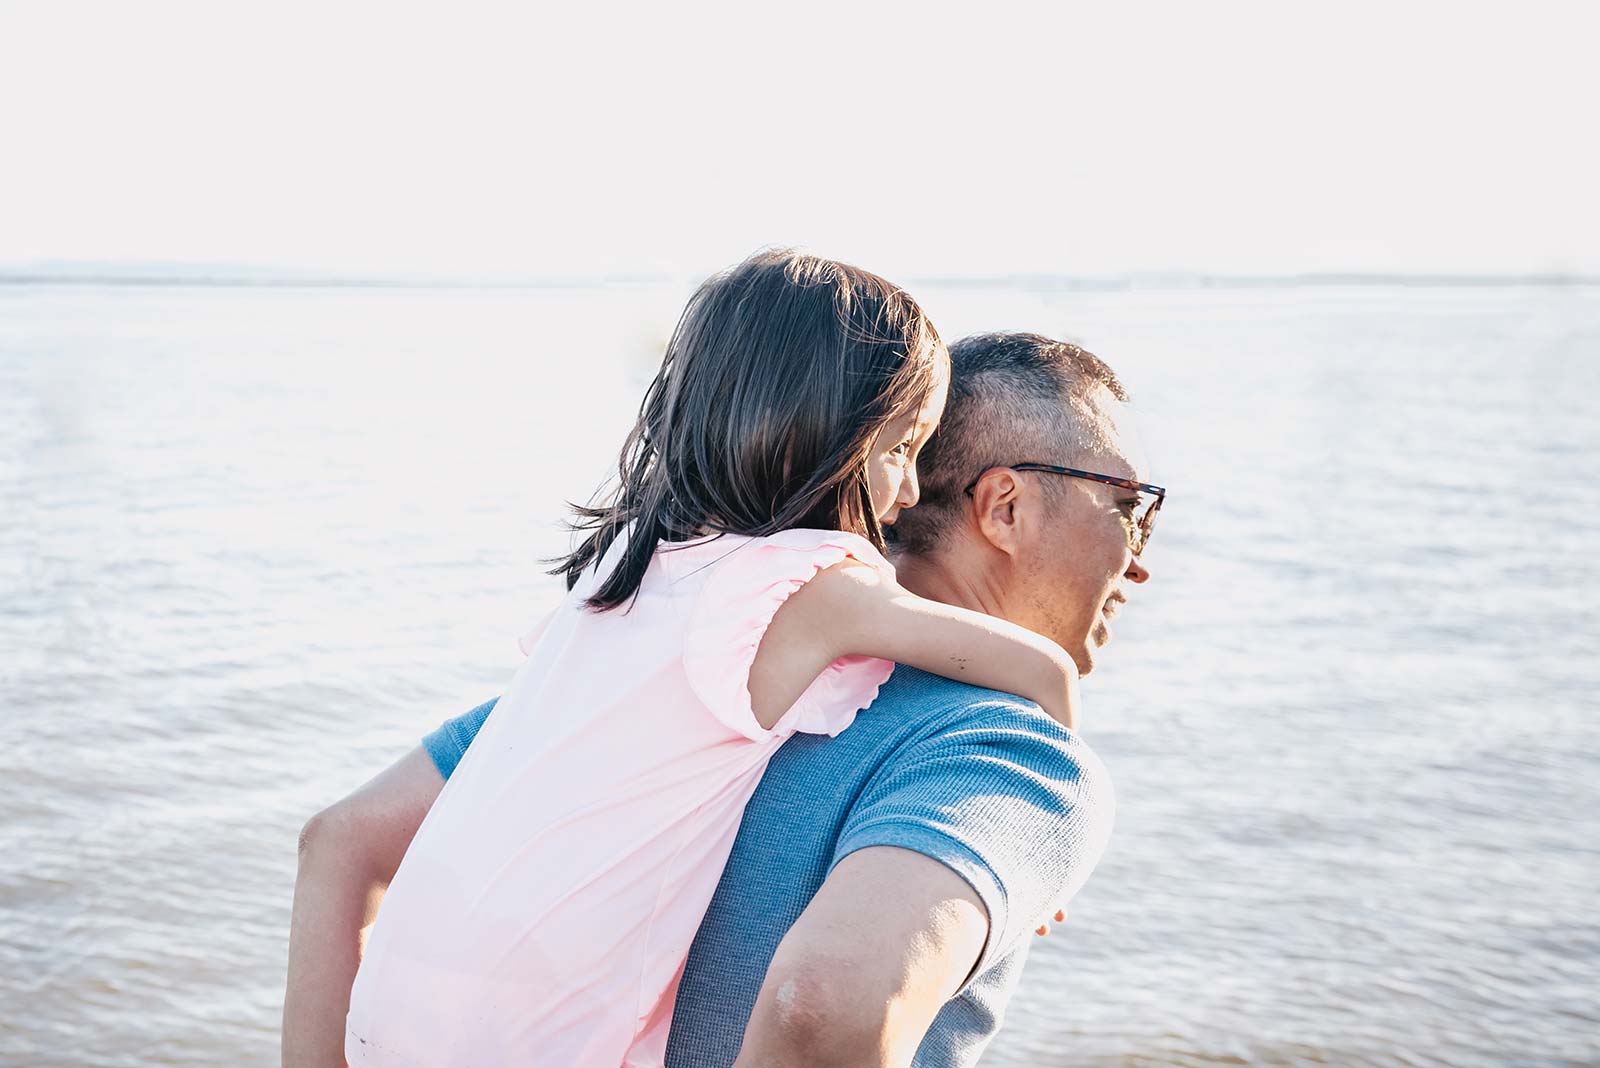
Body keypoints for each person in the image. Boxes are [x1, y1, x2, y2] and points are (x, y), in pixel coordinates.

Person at [282, 330, 1160, 1067]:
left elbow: (340, 838)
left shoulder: (643, 667)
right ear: (1003, 507)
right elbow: (821, 1004)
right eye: (1129, 503)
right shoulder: (1009, 754)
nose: (1143, 551)